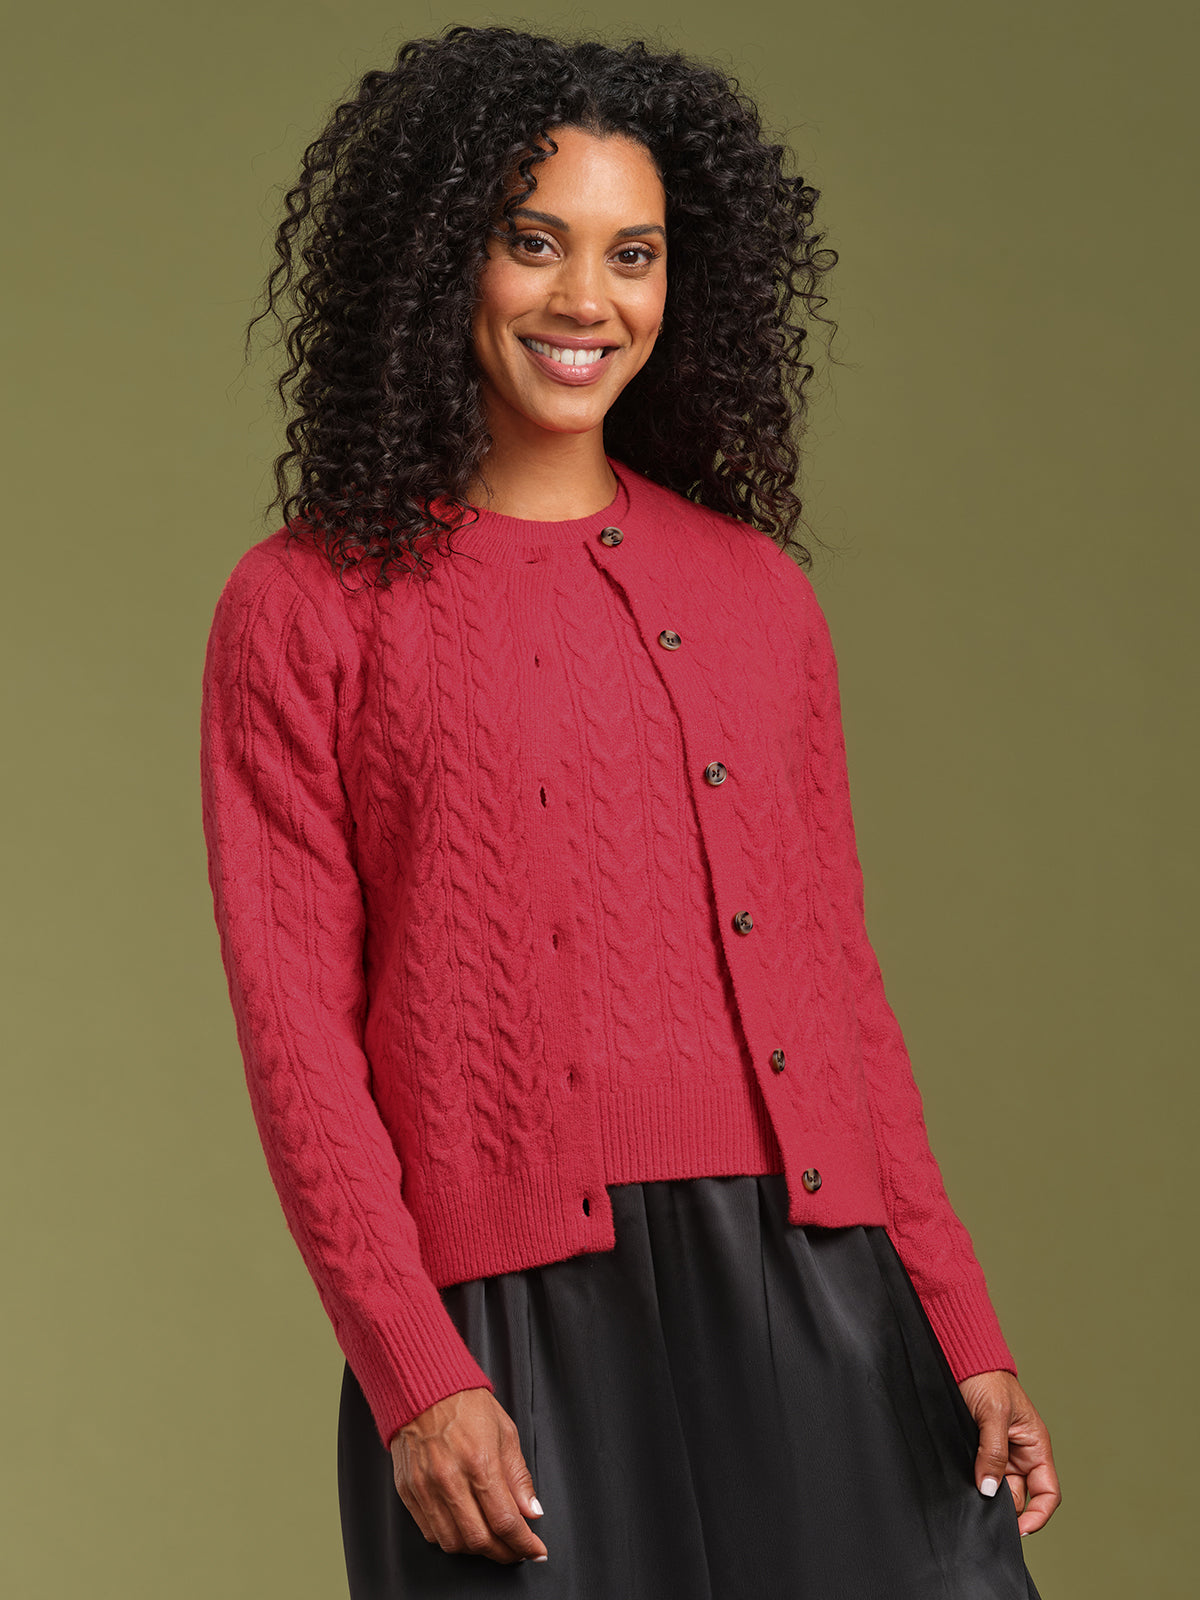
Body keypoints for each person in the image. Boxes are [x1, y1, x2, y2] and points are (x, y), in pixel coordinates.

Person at [200, 23, 1061, 1598]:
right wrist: (416, 1369)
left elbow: (844, 990)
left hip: (818, 1283)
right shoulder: (307, 606)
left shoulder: (758, 597)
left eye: (634, 253)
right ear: (438, 258)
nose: (587, 299)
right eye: (535, 243)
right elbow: (297, 1038)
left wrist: (963, 1326)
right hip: (508, 1325)